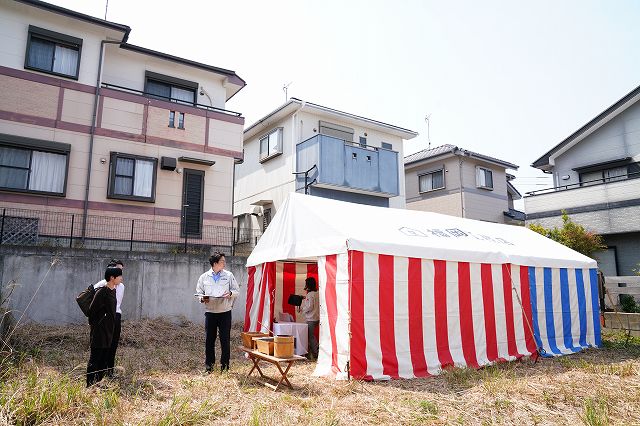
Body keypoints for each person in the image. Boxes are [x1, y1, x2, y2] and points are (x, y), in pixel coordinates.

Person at [195, 252, 239, 373]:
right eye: (222, 261)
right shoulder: (204, 277)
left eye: (224, 261)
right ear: (215, 263)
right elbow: (199, 293)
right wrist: (202, 298)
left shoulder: (229, 276)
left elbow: (236, 291)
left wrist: (230, 294)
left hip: (225, 312)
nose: (224, 263)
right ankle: (209, 367)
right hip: (210, 313)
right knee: (209, 340)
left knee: (225, 340)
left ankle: (225, 368)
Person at [87, 267, 122, 387]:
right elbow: (91, 311)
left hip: (109, 331)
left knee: (104, 357)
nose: (121, 278)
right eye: (119, 276)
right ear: (112, 278)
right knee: (95, 358)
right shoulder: (102, 292)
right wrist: (98, 324)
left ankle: (99, 382)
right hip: (100, 331)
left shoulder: (113, 291)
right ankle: (90, 384)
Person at [93, 259, 125, 378]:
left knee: (113, 345)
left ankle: (109, 371)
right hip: (104, 318)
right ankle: (97, 373)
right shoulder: (102, 285)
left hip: (116, 316)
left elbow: (117, 305)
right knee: (102, 345)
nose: (121, 273)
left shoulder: (121, 286)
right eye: (118, 270)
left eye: (121, 270)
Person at [299, 277, 319, 360]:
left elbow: (310, 306)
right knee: (311, 336)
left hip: (311, 318)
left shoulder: (310, 294)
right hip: (316, 317)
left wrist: (302, 309)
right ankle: (314, 352)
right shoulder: (317, 293)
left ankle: (316, 353)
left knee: (310, 337)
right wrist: (305, 298)